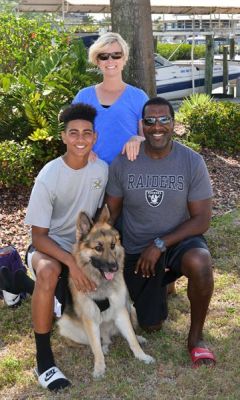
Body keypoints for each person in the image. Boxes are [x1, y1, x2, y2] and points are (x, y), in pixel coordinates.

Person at [105, 96, 216, 368]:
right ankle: (162, 285)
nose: (157, 126)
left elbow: (201, 220)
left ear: (173, 124)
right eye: (150, 121)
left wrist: (160, 244)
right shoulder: (124, 162)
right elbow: (111, 213)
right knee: (151, 325)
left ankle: (196, 339)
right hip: (136, 249)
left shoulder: (191, 161)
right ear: (141, 126)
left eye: (164, 119)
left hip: (177, 240)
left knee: (200, 263)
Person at [24, 103, 108, 391]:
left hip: (77, 250)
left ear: (95, 138)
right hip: (47, 248)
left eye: (87, 133)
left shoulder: (101, 169)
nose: (80, 139)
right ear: (63, 137)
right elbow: (39, 238)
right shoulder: (49, 176)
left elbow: (94, 221)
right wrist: (72, 264)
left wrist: (85, 259)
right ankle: (44, 360)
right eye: (74, 133)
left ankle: (16, 283)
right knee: (48, 272)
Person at [72, 32, 149, 165]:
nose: (110, 60)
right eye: (104, 56)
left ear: (124, 59)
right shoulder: (83, 96)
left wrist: (138, 139)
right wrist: (83, 151)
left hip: (129, 173)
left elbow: (148, 138)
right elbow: (72, 135)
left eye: (116, 55)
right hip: (92, 173)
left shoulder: (139, 97)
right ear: (97, 61)